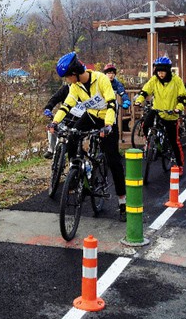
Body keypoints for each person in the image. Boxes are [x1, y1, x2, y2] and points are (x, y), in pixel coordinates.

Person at [47, 52, 128, 221]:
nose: (67, 80)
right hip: (91, 115)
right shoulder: (75, 86)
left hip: (107, 118)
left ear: (74, 73)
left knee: (113, 160)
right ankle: (76, 170)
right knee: (72, 136)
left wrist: (108, 126)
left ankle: (122, 201)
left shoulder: (101, 79)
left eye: (67, 77)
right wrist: (55, 122)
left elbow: (111, 104)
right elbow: (67, 105)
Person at [134, 57, 186, 175]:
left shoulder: (176, 80)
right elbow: (145, 91)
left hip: (171, 113)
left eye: (163, 71)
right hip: (157, 110)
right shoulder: (154, 80)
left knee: (174, 141)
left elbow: (183, 97)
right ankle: (150, 143)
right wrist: (139, 100)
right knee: (146, 124)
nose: (160, 74)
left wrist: (178, 108)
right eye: (158, 72)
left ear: (168, 71)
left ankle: (180, 165)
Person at [102, 63, 131, 132]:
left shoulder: (116, 84)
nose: (111, 75)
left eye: (112, 73)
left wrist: (126, 101)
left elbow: (122, 93)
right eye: (109, 73)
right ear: (105, 74)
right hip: (101, 107)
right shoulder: (101, 82)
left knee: (114, 126)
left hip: (112, 107)